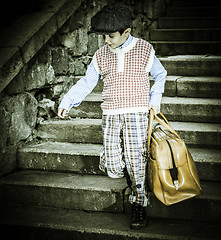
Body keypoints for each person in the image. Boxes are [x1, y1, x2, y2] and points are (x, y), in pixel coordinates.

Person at [57, 3, 167, 230]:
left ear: (126, 32)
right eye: (103, 36)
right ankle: (127, 170)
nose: (106, 41)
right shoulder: (100, 55)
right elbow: (87, 82)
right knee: (114, 165)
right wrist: (67, 101)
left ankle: (139, 202)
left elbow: (160, 74)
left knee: (136, 159)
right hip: (110, 114)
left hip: (137, 113)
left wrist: (154, 101)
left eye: (110, 36)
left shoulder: (144, 49)